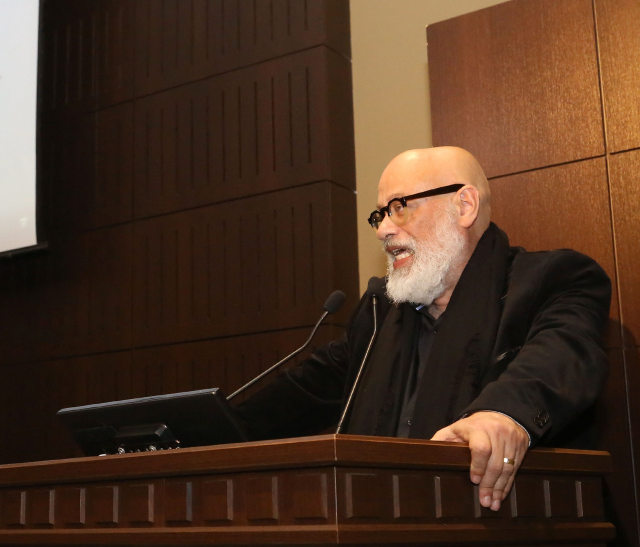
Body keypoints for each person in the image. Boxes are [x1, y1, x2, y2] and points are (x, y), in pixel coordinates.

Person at [234, 146, 611, 512]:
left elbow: (563, 355)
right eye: (379, 215)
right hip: (376, 524)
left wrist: (502, 414)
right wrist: (207, 429)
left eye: (398, 208)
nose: (382, 230)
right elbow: (305, 390)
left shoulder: (555, 279)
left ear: (464, 206)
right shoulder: (381, 313)